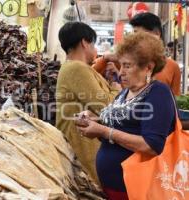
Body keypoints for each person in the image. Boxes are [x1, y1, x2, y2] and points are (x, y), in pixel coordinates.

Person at [76, 31, 176, 200]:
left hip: (137, 189)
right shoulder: (125, 93)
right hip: (114, 186)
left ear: (148, 68)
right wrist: (93, 120)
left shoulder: (158, 93)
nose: (120, 72)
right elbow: (120, 127)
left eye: (127, 66)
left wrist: (103, 131)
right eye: (120, 65)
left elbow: (152, 145)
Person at [56, 22, 119, 184]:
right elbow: (105, 106)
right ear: (85, 42)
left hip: (84, 143)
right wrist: (116, 88)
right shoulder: (77, 68)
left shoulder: (76, 67)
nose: (95, 49)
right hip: (84, 147)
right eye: (93, 43)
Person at [94, 12, 181, 96]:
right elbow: (91, 74)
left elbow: (175, 99)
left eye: (139, 34)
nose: (135, 38)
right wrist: (106, 57)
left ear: (156, 35)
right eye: (134, 33)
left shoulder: (172, 67)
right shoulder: (122, 60)